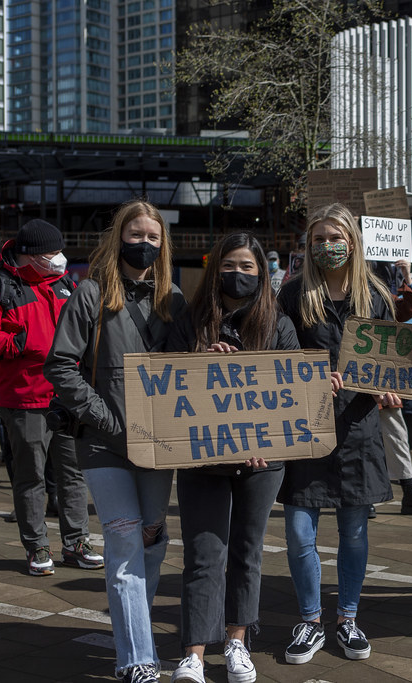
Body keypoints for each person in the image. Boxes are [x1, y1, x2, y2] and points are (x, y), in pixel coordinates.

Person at [45, 200, 192, 683]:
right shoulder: (89, 294)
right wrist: (105, 419)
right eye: (136, 234)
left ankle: (137, 632)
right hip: (103, 443)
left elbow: (187, 370)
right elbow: (61, 365)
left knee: (151, 537)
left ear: (163, 244)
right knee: (125, 539)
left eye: (153, 237)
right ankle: (136, 660)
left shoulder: (174, 298)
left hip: (158, 446)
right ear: (118, 237)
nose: (144, 243)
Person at [172, 232, 295, 683]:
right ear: (214, 269)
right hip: (201, 456)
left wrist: (272, 442)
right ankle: (194, 654)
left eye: (247, 267)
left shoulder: (278, 324)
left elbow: (291, 394)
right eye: (230, 265)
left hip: (262, 461)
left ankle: (238, 642)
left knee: (247, 550)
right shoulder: (190, 320)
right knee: (204, 554)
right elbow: (163, 378)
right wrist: (198, 359)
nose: (238, 274)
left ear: (261, 273)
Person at [275, 202, 395, 666]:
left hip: (359, 432)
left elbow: (395, 364)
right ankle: (309, 619)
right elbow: (273, 356)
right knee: (299, 532)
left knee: (354, 532)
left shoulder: (376, 297)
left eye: (336, 237)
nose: (329, 246)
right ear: (309, 245)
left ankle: (347, 618)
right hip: (305, 431)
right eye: (320, 239)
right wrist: (308, 379)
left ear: (354, 242)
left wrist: (391, 388)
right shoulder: (292, 296)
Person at [0, 219, 102, 577]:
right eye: (51, 253)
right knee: (30, 477)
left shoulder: (63, 285)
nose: (58, 259)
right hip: (23, 397)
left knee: (73, 474)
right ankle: (36, 546)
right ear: (29, 255)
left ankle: (76, 542)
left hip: (67, 397)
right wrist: (20, 343)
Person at [369, 257, 412, 516]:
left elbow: (411, 307)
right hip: (351, 376)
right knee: (360, 439)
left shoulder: (383, 297)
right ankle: (366, 498)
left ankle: (409, 491)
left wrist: (407, 275)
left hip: (381, 376)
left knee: (396, 433)